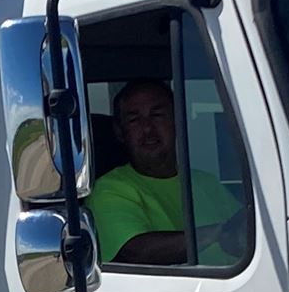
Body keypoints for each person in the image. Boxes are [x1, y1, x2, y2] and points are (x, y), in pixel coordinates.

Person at [87, 78, 246, 266]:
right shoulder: (108, 190)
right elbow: (135, 253)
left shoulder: (206, 182)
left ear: (177, 121)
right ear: (120, 132)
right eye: (134, 120)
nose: (147, 128)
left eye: (157, 115)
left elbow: (245, 230)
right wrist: (215, 234)